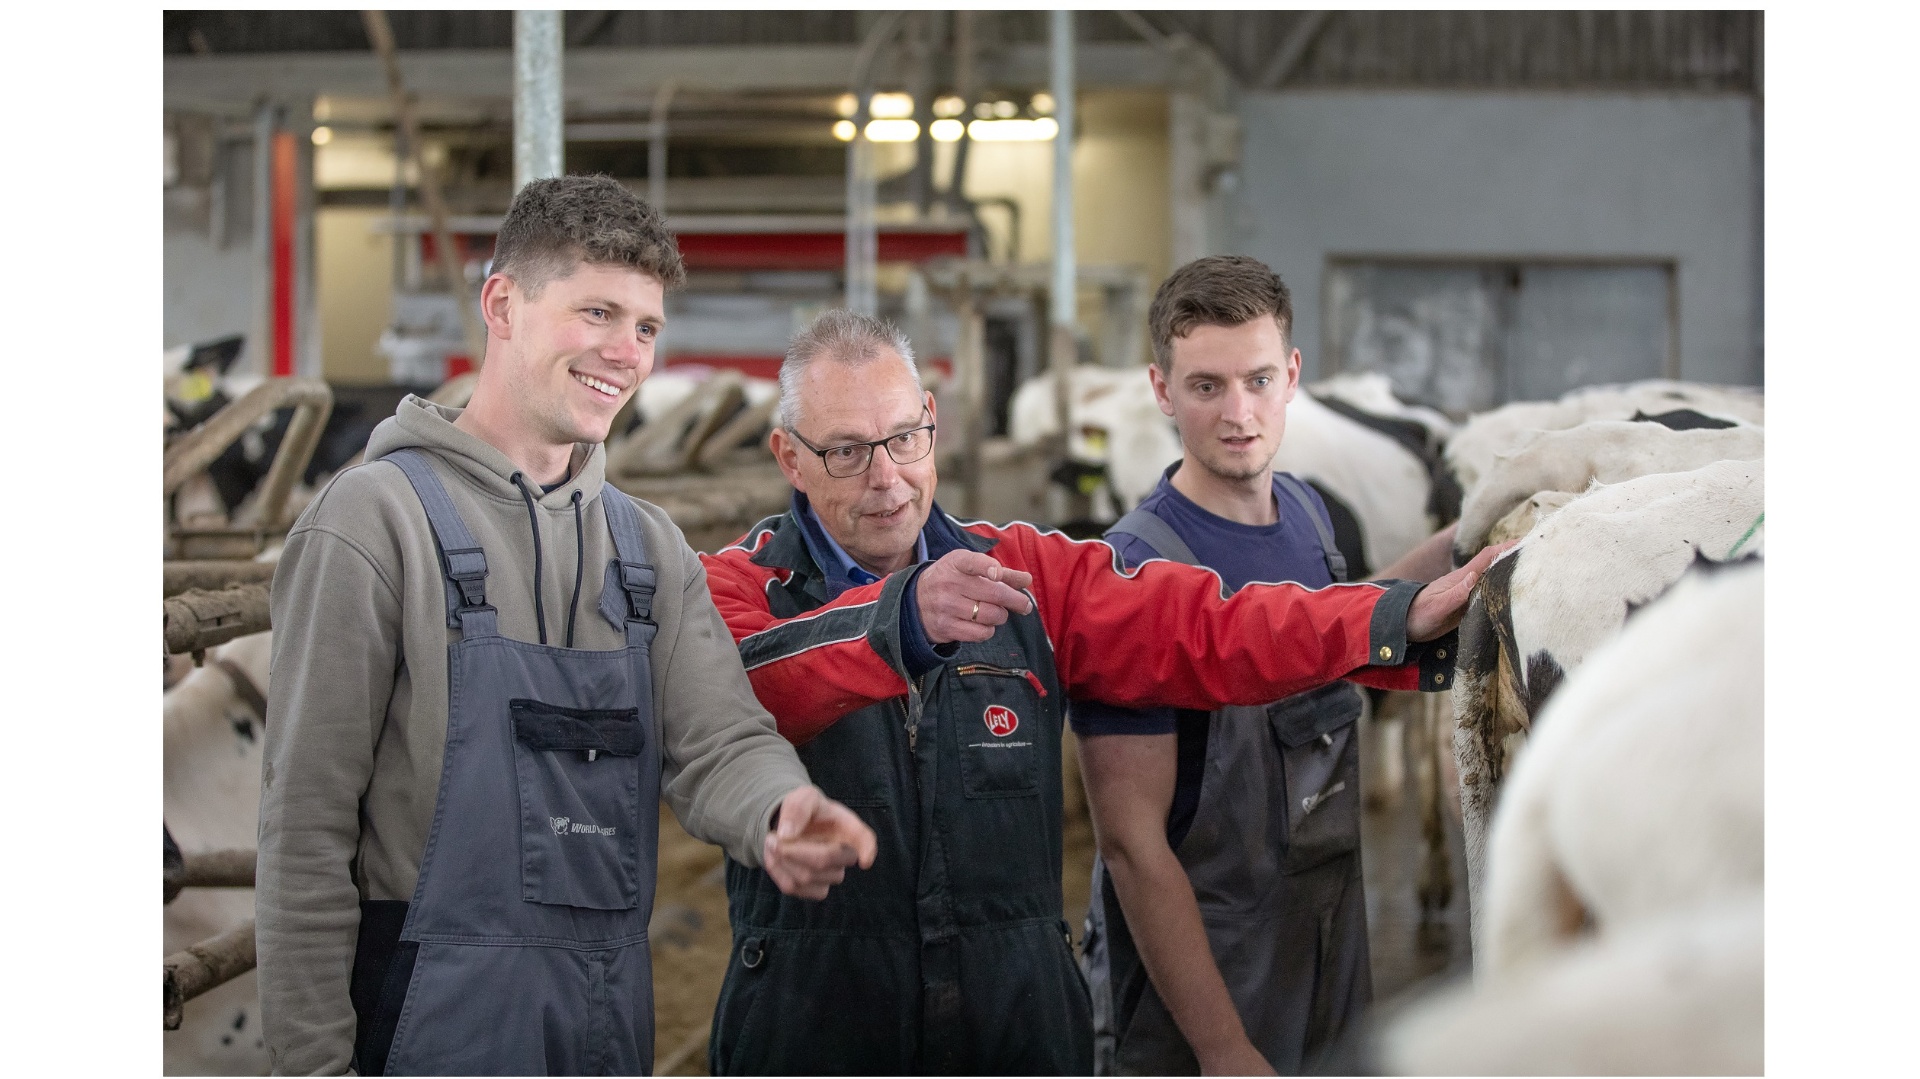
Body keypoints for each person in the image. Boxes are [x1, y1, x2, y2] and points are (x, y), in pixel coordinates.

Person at [696, 309, 1507, 1074]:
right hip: (817, 1020)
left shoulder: (1026, 571)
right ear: (788, 456)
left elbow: (1209, 624)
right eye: (846, 451)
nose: (887, 478)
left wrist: (1393, 616)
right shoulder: (735, 591)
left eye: (905, 438)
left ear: (932, 420)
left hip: (1013, 1020)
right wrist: (898, 618)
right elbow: (755, 683)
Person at [255, 175, 877, 1076]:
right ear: (502, 303)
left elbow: (721, 739)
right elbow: (305, 830)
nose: (625, 351)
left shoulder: (644, 547)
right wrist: (314, 1067)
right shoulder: (372, 524)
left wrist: (780, 806)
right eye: (597, 311)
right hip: (425, 1025)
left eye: (647, 327)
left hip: (600, 1023)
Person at [1076, 255, 1459, 1076]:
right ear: (1161, 388)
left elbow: (1343, 625)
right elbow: (1131, 845)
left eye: (1256, 379)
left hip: (1325, 932)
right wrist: (1222, 1048)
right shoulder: (1133, 573)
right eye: (1206, 386)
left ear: (1291, 376)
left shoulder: (1309, 513)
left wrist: (1476, 545)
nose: (1238, 414)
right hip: (1202, 973)